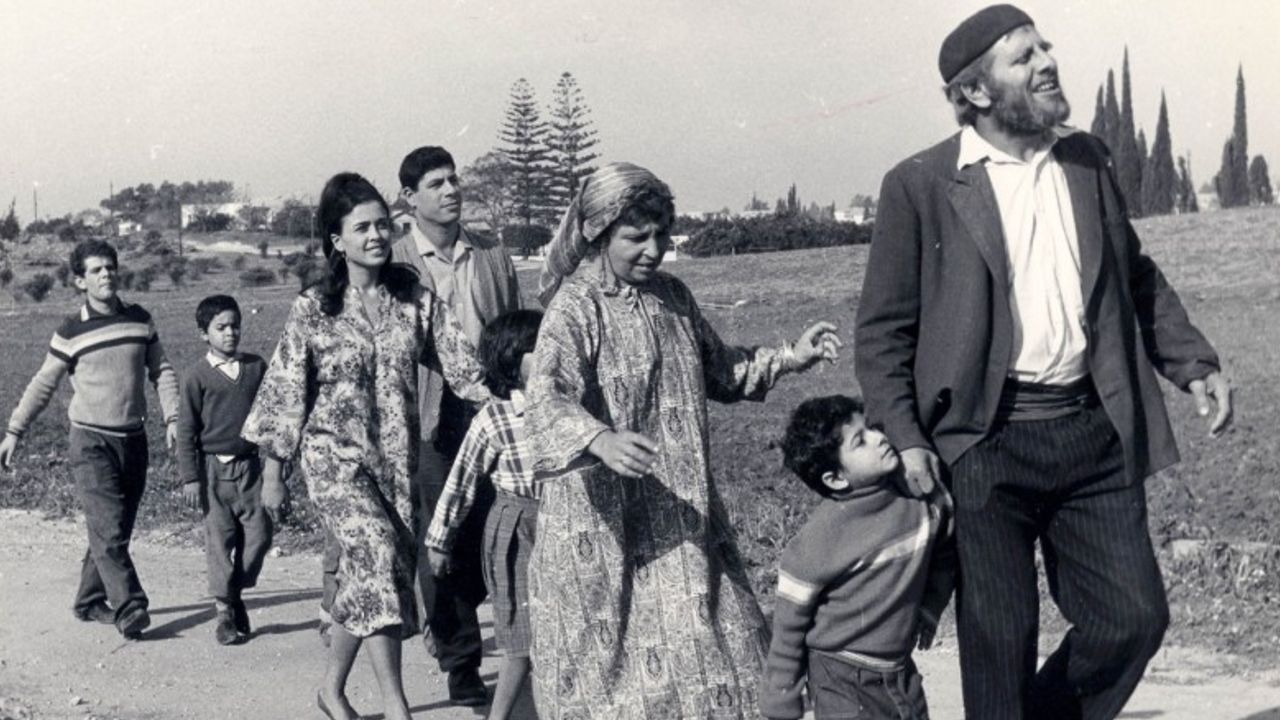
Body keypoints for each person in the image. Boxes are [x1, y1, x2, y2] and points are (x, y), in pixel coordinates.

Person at [853, 6, 1234, 719]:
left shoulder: (1086, 160)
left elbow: (1132, 273)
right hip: (982, 444)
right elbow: (883, 332)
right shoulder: (921, 183)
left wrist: (1191, 360)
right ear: (975, 92)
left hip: (1093, 431)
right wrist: (904, 435)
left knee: (1132, 619)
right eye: (1023, 57)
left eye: (1044, 48)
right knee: (998, 645)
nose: (1047, 63)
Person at [525, 162, 842, 718]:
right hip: (604, 529)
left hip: (682, 517)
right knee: (610, 679)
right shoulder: (575, 308)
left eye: (661, 234)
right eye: (636, 237)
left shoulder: (673, 296)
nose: (653, 250)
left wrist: (791, 357)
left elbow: (722, 370)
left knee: (722, 653)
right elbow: (547, 397)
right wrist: (599, 439)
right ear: (598, 233)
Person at [241, 172, 488, 720]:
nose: (377, 236)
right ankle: (396, 706)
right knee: (376, 555)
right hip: (334, 461)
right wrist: (274, 473)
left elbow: (463, 365)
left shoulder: (414, 300)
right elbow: (285, 388)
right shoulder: (314, 307)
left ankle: (331, 691)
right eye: (362, 228)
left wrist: (509, 404)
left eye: (382, 225)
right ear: (337, 240)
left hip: (395, 461)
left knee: (374, 575)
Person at [389, 144, 523, 706]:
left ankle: (472, 627)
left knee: (496, 523)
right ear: (409, 198)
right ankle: (461, 659)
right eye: (436, 184)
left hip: (491, 406)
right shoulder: (395, 261)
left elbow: (516, 330)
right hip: (430, 414)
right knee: (439, 531)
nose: (451, 191)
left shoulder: (490, 254)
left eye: (454, 180)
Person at [0, 239, 178, 640]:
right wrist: (14, 430)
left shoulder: (140, 320)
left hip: (133, 440)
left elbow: (162, 370)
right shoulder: (70, 331)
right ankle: (130, 606)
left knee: (115, 529)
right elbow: (43, 384)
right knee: (108, 527)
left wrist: (173, 417)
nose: (106, 275)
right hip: (91, 442)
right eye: (96, 270)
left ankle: (88, 600)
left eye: (110, 267)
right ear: (80, 281)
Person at [760, 395, 954, 720]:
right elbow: (788, 626)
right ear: (836, 479)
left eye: (873, 428)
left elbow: (946, 552)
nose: (879, 438)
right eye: (860, 441)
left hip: (899, 669)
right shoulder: (820, 539)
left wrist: (930, 609)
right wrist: (780, 700)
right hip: (840, 675)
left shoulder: (916, 502)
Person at [425, 308, 544, 720]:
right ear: (510, 360)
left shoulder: (570, 407)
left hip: (563, 528)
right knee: (521, 640)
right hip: (517, 530)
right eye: (537, 348)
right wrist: (440, 541)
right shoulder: (495, 419)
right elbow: (461, 482)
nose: (552, 352)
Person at [174, 294, 271, 646]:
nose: (230, 333)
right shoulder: (195, 377)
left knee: (260, 535)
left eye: (235, 326)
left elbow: (272, 413)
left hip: (250, 469)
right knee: (219, 542)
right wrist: (190, 478)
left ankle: (234, 591)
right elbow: (186, 431)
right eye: (221, 327)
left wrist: (278, 461)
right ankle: (224, 615)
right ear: (205, 334)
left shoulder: (256, 367)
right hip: (212, 472)